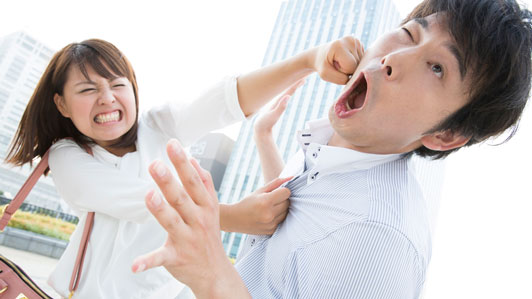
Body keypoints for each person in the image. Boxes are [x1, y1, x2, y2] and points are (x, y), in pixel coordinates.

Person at [131, 0, 532, 298]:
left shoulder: (377, 241)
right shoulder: (332, 151)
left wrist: (210, 274)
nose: (394, 57)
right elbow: (289, 237)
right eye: (410, 33)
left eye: (437, 68)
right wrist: (263, 139)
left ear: (446, 135)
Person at [4, 37, 361, 298]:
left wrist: (309, 60)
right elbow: (141, 200)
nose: (107, 98)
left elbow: (223, 101)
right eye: (87, 90)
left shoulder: (159, 126)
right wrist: (233, 216)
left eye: (117, 84)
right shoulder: (67, 154)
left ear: (133, 89)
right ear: (61, 105)